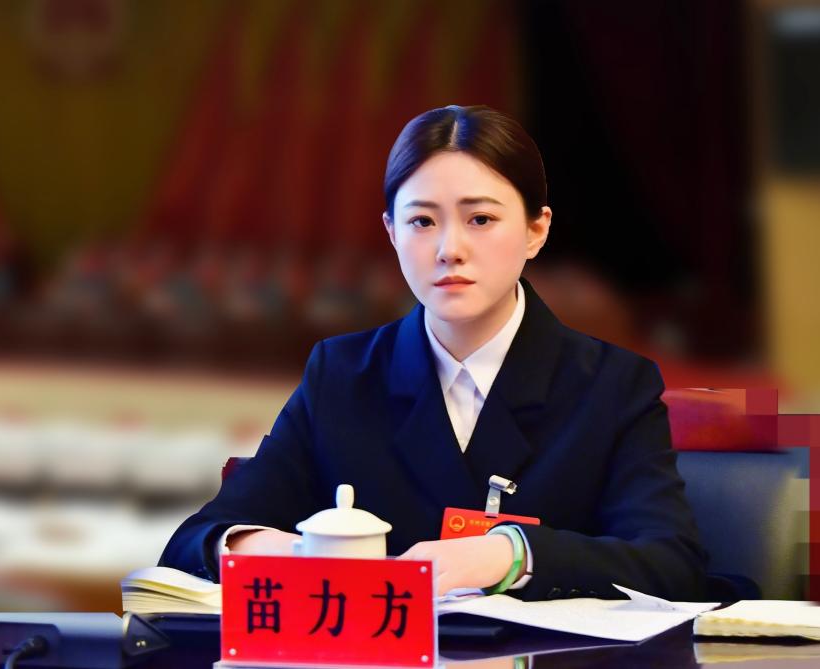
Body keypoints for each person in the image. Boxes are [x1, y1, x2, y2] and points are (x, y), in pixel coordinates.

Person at [159, 105, 708, 602]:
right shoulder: (343, 375)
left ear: (536, 230)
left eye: (480, 219)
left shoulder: (614, 385)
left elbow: (671, 563)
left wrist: (512, 555)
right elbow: (198, 539)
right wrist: (290, 552)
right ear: (391, 232)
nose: (450, 249)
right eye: (422, 221)